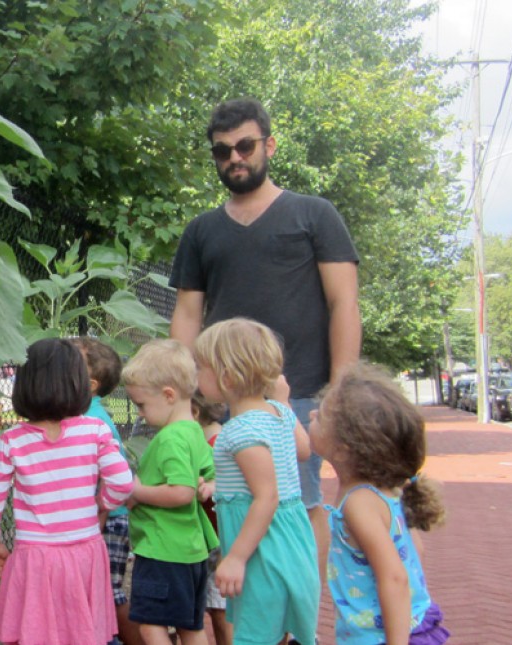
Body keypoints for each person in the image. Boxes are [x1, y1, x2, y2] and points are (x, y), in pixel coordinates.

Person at [169, 97, 362, 580]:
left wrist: (340, 386)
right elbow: (188, 316)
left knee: (300, 500)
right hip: (221, 399)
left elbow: (344, 304)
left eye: (245, 145)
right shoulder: (200, 232)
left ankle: (296, 616)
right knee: (235, 501)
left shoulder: (315, 215)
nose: (235, 157)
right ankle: (258, 609)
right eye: (222, 151)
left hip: (296, 395)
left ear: (269, 145)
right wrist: (187, 392)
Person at [0, 338, 136, 645]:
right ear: (80, 383)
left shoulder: (10, 442)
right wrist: (100, 504)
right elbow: (122, 483)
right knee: (80, 629)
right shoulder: (96, 431)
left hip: (35, 554)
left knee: (37, 630)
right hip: (86, 550)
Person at [193, 318, 319, 645]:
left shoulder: (242, 431)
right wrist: (285, 402)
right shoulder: (276, 413)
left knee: (255, 629)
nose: (196, 376)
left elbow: (266, 497)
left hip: (262, 544)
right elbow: (303, 451)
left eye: (200, 368)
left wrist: (235, 557)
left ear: (227, 376)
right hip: (289, 536)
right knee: (273, 622)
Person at [310, 362, 450, 644]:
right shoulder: (386, 490)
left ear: (344, 447)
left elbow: (394, 578)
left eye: (322, 417)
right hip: (413, 624)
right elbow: (415, 552)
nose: (312, 414)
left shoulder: (359, 503)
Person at [120, 339, 217, 645]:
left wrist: (137, 490)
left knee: (151, 626)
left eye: (141, 405)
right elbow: (208, 478)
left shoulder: (171, 439)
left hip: (163, 549)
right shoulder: (194, 432)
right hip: (191, 550)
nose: (139, 414)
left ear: (169, 395)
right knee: (191, 626)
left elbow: (181, 493)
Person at [71, 337, 143, 645]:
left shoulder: (93, 419)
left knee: (110, 591)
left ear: (90, 384)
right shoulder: (80, 414)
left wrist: (101, 510)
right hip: (97, 516)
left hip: (108, 517)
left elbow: (109, 476)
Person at [191, 393, 232, 645]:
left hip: (220, 542)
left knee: (221, 609)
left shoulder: (217, 444)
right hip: (212, 540)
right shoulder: (213, 439)